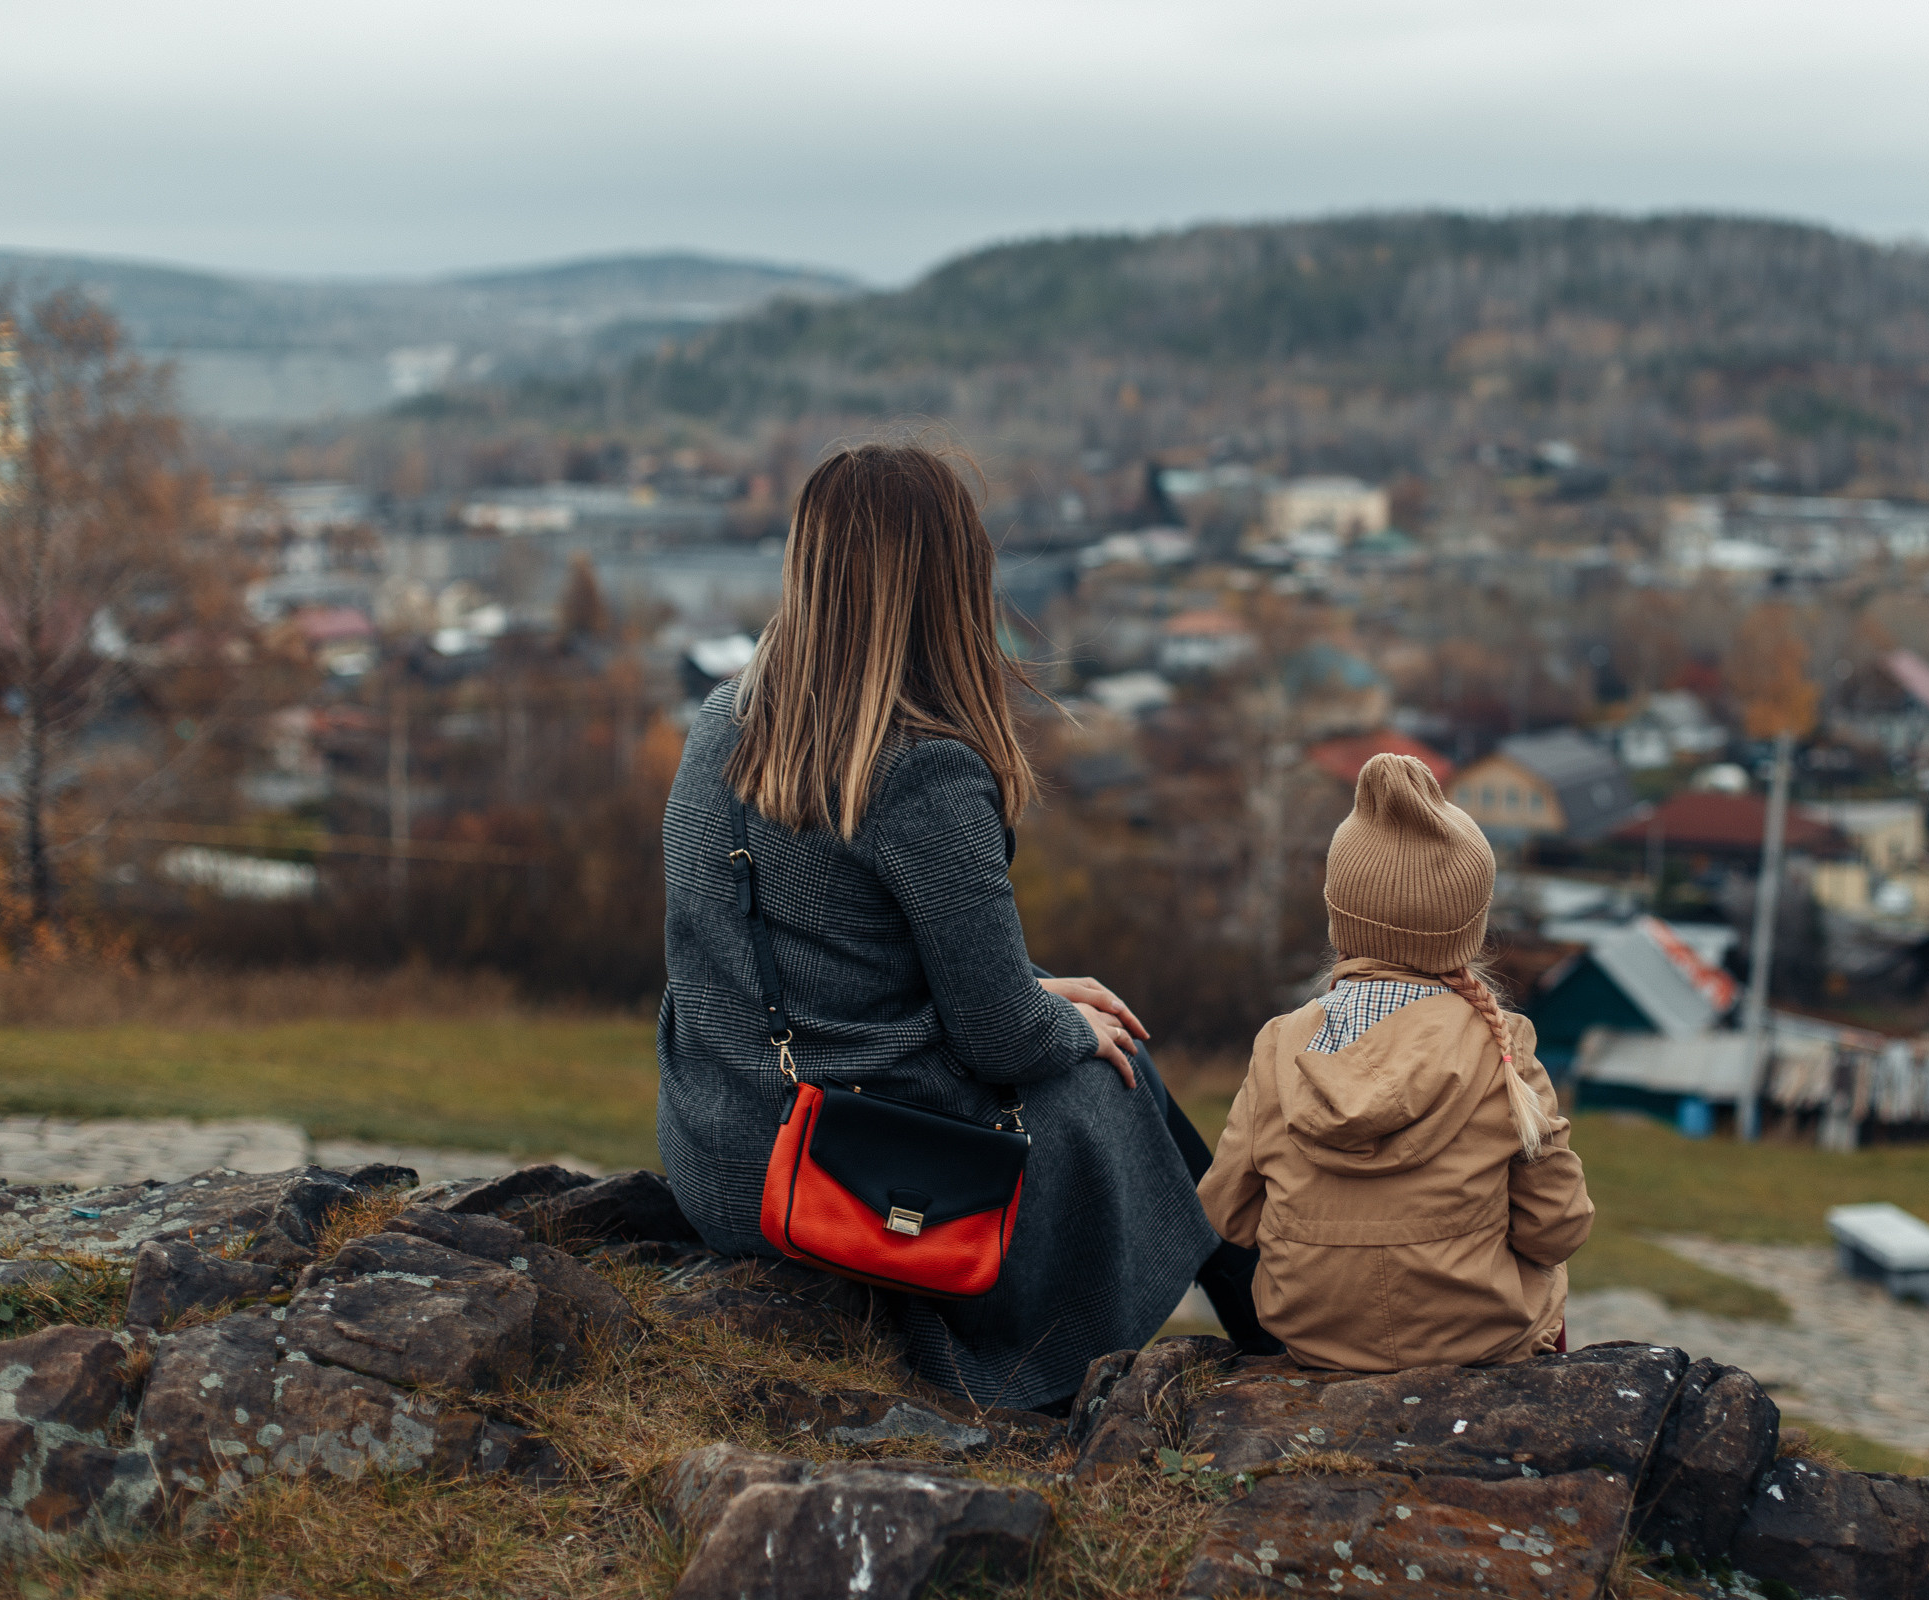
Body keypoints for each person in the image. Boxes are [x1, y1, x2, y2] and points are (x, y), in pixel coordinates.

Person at [656, 439, 1270, 1412]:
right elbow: (1001, 1036)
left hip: (720, 1152)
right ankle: (1275, 1330)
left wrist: (1038, 991)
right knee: (1121, 1071)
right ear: (950, 579)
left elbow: (837, 968)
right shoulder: (920, 770)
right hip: (832, 1175)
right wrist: (1057, 1020)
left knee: (1093, 1034)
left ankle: (1263, 1308)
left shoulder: (724, 721)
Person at [1198, 753, 1594, 1371]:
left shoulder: (1280, 1045)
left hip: (1314, 1340)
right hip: (1475, 1343)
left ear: (1339, 917)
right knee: (1549, 1277)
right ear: (1470, 926)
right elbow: (1556, 1229)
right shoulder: (1502, 1045)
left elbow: (1229, 1212)